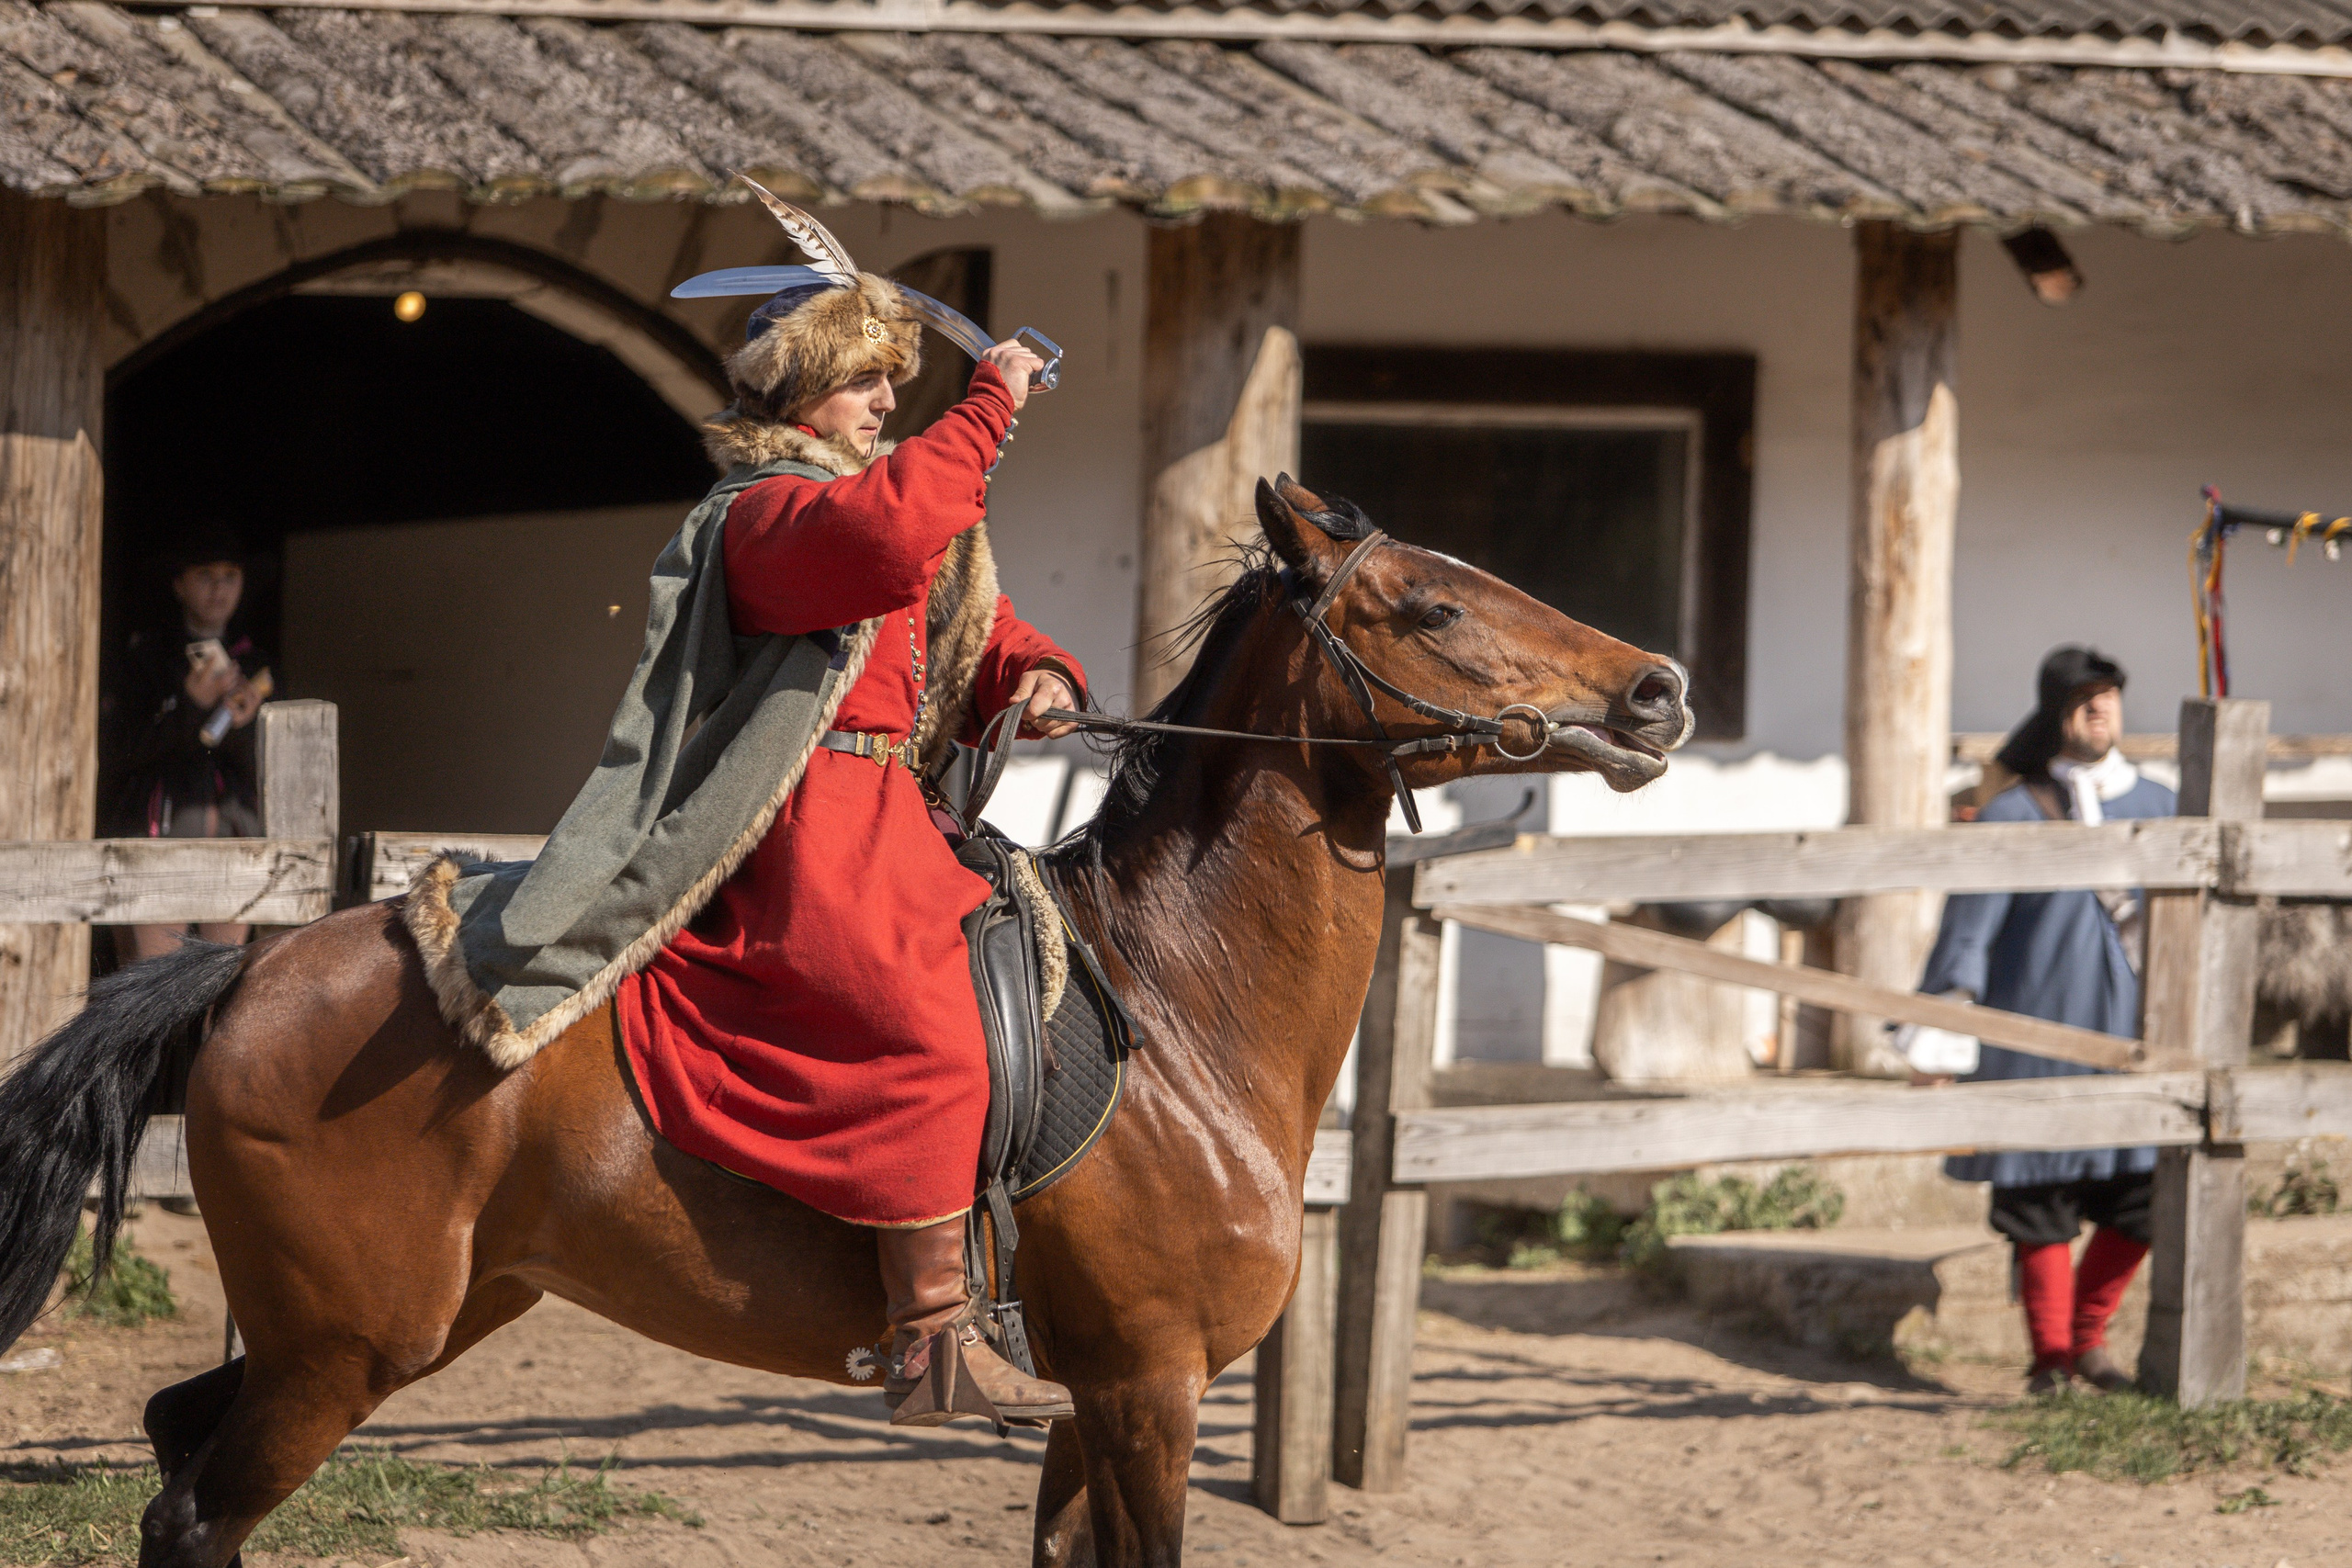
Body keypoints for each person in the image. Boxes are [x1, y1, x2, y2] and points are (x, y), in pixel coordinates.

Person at [405, 223, 1084, 1428]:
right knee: (923, 1020)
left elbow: (971, 622)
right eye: (865, 378)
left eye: (892, 381)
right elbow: (891, 540)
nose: (887, 401)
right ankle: (931, 1339)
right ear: (802, 388)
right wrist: (988, 404)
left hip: (895, 819)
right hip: (802, 829)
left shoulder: (864, 495)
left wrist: (1035, 677)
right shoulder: (767, 513)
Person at [1900, 646, 2176, 1394]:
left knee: (2146, 1202)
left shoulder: (2164, 806)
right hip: (2033, 1047)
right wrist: (1938, 1041)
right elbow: (1967, 937)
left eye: (2109, 694)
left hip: (2137, 1047)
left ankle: (2089, 1341)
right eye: (2083, 698)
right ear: (2055, 715)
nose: (2100, 708)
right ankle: (2051, 1360)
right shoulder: (2012, 813)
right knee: (2039, 1207)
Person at [106, 530, 272, 962]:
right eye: (205, 575)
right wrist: (190, 705)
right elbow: (119, 752)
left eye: (230, 575)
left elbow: (271, 770)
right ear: (179, 584)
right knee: (153, 978)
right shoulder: (145, 658)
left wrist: (242, 726)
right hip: (157, 833)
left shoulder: (255, 665)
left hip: (234, 834)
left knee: (222, 975)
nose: (219, 588)